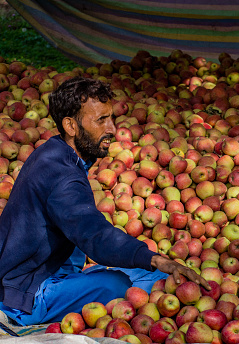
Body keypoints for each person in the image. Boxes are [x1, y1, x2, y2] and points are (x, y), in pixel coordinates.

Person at [0, 77, 208, 326]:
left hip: (39, 271)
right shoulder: (64, 176)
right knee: (121, 284)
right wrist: (157, 259)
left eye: (110, 117)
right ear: (71, 126)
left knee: (146, 274)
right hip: (23, 293)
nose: (111, 128)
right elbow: (95, 236)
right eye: (101, 120)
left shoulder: (53, 152)